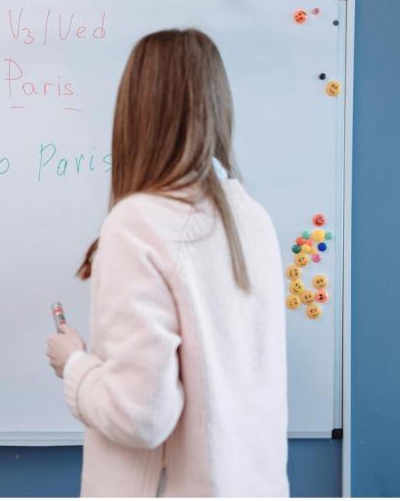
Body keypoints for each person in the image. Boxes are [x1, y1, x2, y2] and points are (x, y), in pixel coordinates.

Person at [46, 29, 289, 496]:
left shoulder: (138, 222)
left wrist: (74, 364)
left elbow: (141, 416)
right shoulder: (251, 218)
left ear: (136, 112)